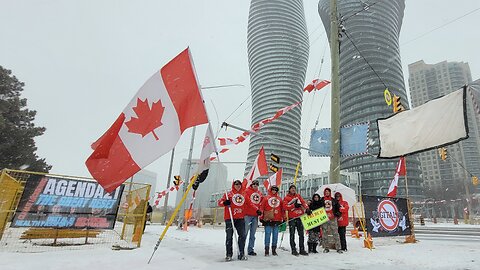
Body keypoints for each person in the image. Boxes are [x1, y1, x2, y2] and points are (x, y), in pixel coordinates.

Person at [218, 179, 247, 261]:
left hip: (240, 218)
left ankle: (241, 253)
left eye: (239, 184)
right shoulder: (228, 194)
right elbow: (220, 202)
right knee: (229, 236)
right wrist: (224, 203)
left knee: (242, 236)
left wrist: (257, 210)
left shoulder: (244, 194)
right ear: (233, 185)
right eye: (236, 184)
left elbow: (250, 204)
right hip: (230, 218)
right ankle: (229, 254)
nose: (238, 185)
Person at [283, 184, 311, 256]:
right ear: (289, 190)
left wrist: (307, 208)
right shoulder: (286, 198)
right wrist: (293, 205)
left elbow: (303, 202)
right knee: (292, 234)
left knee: (301, 234)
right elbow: (285, 206)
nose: (293, 189)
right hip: (292, 218)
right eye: (292, 188)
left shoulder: (298, 196)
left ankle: (302, 249)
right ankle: (293, 249)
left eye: (294, 188)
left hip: (299, 217)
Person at [260, 185, 283, 256]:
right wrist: (261, 217)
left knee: (275, 235)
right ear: (270, 190)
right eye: (273, 189)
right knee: (267, 234)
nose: (274, 191)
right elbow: (262, 207)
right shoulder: (266, 198)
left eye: (275, 190)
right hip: (268, 219)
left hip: (277, 219)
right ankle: (266, 250)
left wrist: (283, 217)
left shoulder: (279, 198)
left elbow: (282, 209)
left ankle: (274, 249)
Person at [319, 188, 342, 253]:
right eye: (325, 191)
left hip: (333, 218)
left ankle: (338, 248)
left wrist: (338, 214)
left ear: (330, 192)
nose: (327, 192)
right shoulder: (322, 200)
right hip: (324, 218)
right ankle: (326, 247)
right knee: (324, 234)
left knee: (335, 233)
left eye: (328, 191)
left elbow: (338, 208)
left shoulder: (333, 200)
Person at [244, 179, 263, 256]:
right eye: (254, 184)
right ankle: (241, 248)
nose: (255, 185)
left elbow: (261, 203)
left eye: (257, 184)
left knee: (253, 234)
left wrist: (260, 211)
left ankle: (250, 249)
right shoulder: (246, 191)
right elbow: (246, 202)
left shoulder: (259, 193)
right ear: (251, 184)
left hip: (255, 216)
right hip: (247, 215)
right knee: (244, 233)